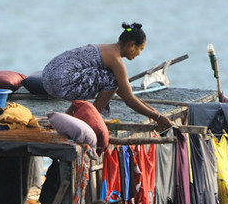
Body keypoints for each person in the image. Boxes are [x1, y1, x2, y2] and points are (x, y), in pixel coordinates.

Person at [41, 22, 173, 128]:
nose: (139, 54)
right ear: (131, 44)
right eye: (140, 49)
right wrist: (158, 118)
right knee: (110, 79)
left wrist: (157, 114)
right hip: (61, 82)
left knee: (106, 79)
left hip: (47, 79)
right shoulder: (116, 61)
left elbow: (127, 94)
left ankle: (69, 117)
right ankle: (88, 119)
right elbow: (129, 100)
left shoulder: (106, 49)